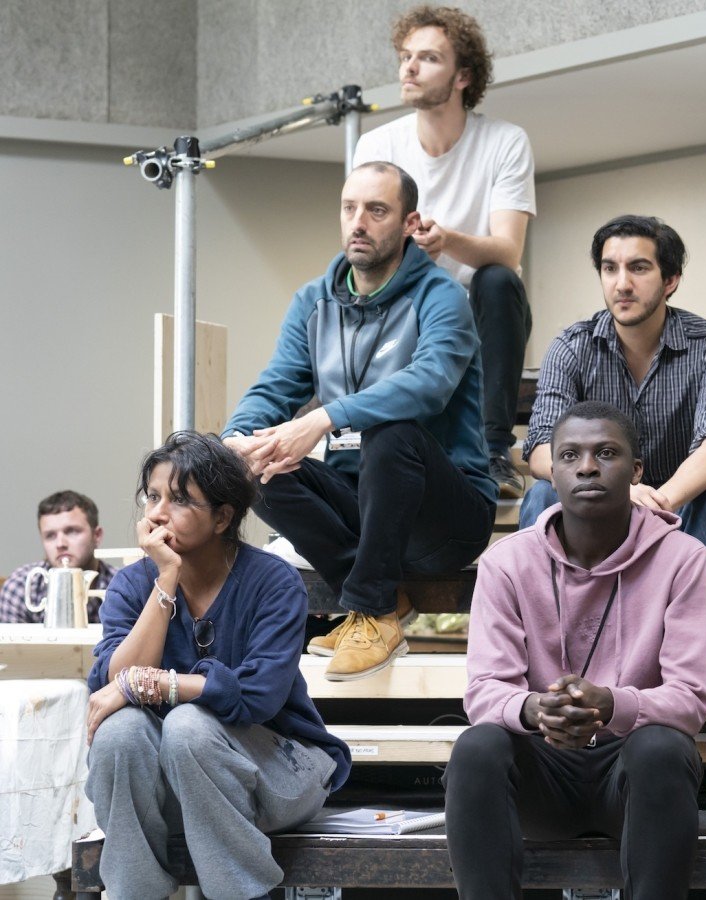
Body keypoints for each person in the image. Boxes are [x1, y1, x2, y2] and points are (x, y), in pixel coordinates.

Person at [222, 161, 496, 682]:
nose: (359, 223)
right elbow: (276, 385)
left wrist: (323, 418)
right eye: (350, 209)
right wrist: (234, 440)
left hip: (445, 517)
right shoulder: (313, 302)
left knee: (393, 433)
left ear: (409, 223)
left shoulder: (442, 298)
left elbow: (431, 382)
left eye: (376, 210)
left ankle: (368, 610)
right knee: (260, 463)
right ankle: (380, 606)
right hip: (363, 506)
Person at [443, 401, 706, 900]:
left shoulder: (684, 559)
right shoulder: (507, 562)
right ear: (554, 472)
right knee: (477, 747)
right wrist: (534, 708)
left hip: (632, 778)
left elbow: (692, 699)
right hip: (542, 777)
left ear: (636, 472)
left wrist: (610, 702)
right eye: (569, 455)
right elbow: (483, 691)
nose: (587, 466)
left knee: (663, 746)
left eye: (605, 453)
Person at [84, 431, 350, 900]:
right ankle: (134, 893)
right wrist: (165, 579)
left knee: (189, 725)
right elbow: (116, 678)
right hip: (173, 779)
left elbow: (258, 696)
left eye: (181, 500)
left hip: (278, 770)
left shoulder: (274, 582)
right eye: (153, 496)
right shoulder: (132, 584)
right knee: (120, 733)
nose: (157, 513)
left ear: (223, 517)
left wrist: (156, 685)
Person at [520, 214, 706, 731]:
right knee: (538, 498)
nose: (621, 282)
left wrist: (654, 497)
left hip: (676, 512)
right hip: (593, 510)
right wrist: (618, 493)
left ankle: (705, 691)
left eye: (639, 268)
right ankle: (549, 685)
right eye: (610, 268)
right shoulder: (573, 346)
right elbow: (539, 451)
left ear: (670, 280)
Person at [352, 4, 535, 499]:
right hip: (406, 301)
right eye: (405, 56)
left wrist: (447, 239)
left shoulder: (504, 142)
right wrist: (410, 253)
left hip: (478, 308)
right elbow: (363, 247)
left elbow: (508, 249)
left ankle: (494, 448)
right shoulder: (378, 143)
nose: (408, 69)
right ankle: (371, 448)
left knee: (500, 280)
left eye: (428, 58)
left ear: (463, 76)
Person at [0, 490, 117, 623]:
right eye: (50, 535)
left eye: (72, 531)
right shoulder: (21, 585)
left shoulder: (124, 586)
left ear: (97, 535)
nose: (60, 544)